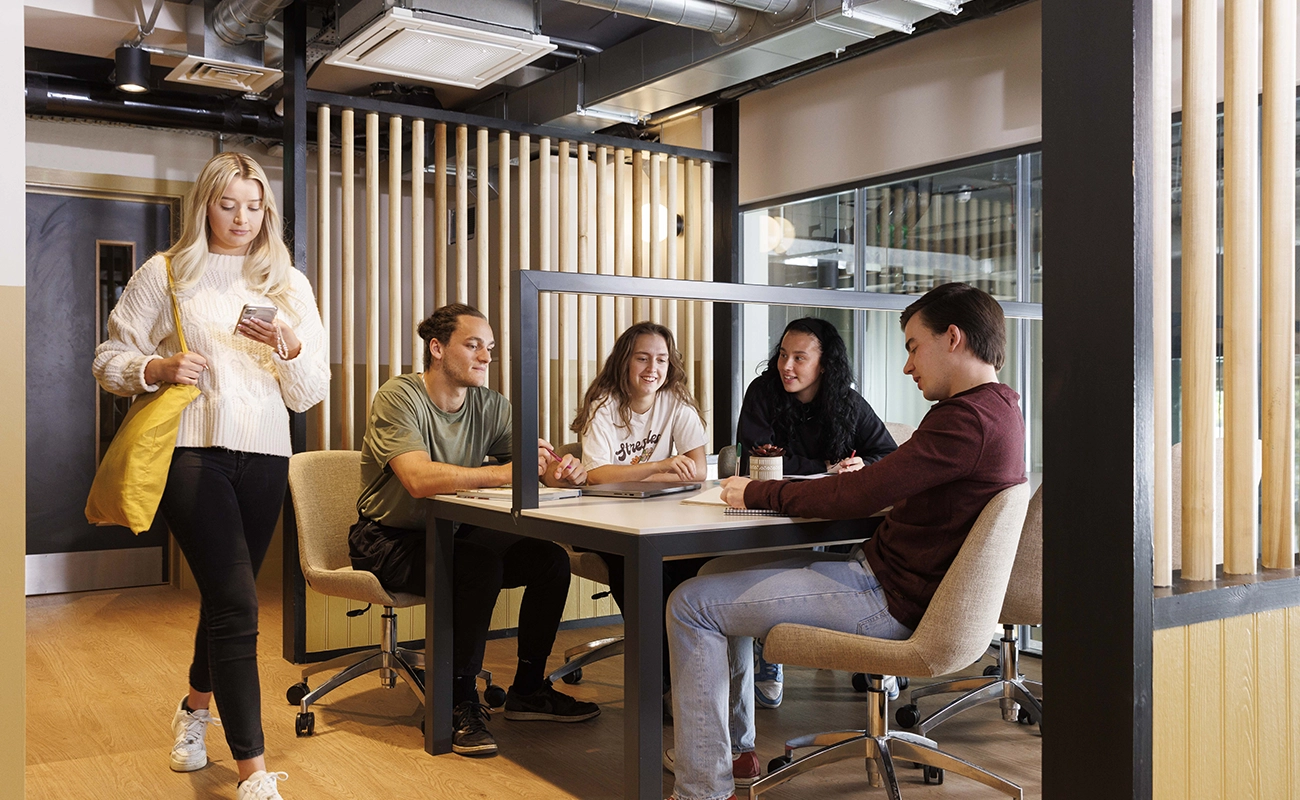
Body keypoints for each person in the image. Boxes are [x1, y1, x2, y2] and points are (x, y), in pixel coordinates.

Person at [663, 283, 1026, 800]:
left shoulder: (966, 421)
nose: (907, 365)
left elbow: (861, 491)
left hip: (884, 599)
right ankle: (727, 747)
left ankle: (701, 789)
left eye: (912, 346)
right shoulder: (1000, 409)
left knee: (688, 605)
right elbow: (882, 483)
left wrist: (758, 491)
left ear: (953, 338)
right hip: (885, 580)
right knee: (711, 577)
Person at [93, 152, 329, 800]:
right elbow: (109, 356)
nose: (242, 218)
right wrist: (157, 370)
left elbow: (308, 394)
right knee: (239, 604)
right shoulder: (165, 272)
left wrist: (290, 343)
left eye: (255, 207)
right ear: (206, 205)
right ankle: (252, 772)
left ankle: (195, 709)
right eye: (230, 205)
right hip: (190, 451)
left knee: (231, 600)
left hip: (264, 455)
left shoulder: (288, 284)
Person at [348, 303, 599, 758]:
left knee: (550, 559)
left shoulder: (490, 404)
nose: (486, 356)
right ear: (437, 348)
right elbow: (419, 480)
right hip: (387, 539)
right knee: (479, 566)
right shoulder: (398, 397)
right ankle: (457, 701)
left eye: (490, 348)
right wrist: (502, 473)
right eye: (474, 345)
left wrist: (560, 471)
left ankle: (528, 689)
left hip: (454, 532)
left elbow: (531, 468)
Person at [736, 317, 897, 709]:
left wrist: (862, 467)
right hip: (776, 511)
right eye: (783, 355)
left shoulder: (846, 400)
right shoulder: (763, 392)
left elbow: (887, 454)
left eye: (799, 358)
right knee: (781, 564)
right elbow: (754, 463)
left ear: (823, 365)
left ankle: (874, 653)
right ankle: (769, 651)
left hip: (833, 514)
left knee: (866, 554)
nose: (786, 366)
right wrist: (826, 469)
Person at [570, 322, 711, 700]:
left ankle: (689, 685)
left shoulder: (676, 402)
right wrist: (657, 467)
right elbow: (597, 476)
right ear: (624, 362)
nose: (653, 368)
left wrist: (668, 470)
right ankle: (663, 686)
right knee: (637, 570)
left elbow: (698, 469)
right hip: (606, 523)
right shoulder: (603, 404)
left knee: (690, 570)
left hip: (662, 519)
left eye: (662, 360)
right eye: (643, 358)